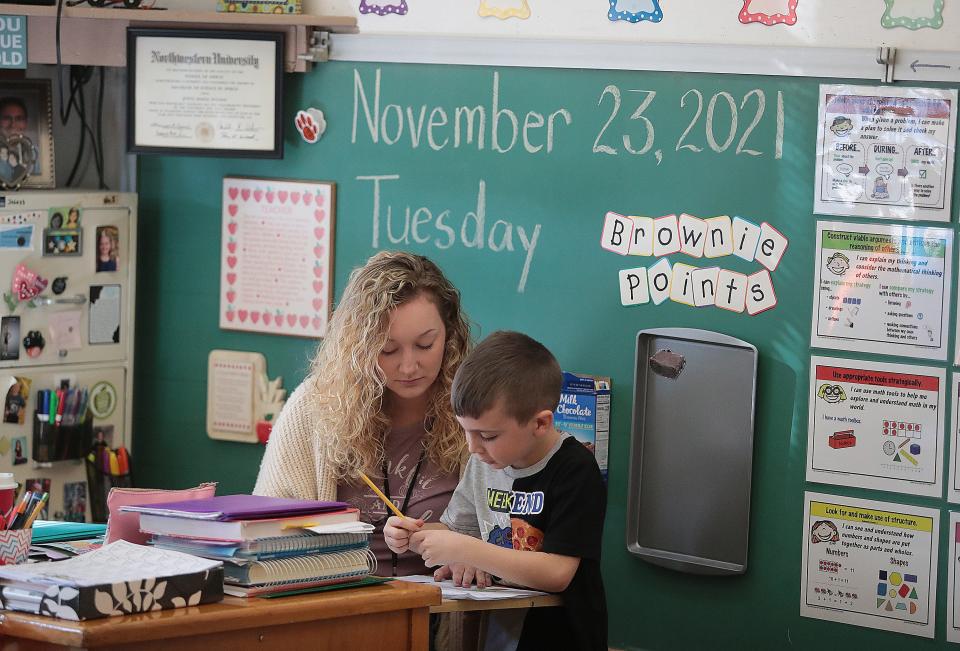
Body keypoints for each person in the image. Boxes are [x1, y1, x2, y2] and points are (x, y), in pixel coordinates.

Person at [254, 251, 472, 579]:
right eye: (388, 350)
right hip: (338, 605)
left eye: (425, 345)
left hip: (441, 611)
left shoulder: (477, 407)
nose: (409, 366)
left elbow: (509, 527)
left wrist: (471, 552)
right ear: (360, 346)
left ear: (450, 335)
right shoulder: (315, 407)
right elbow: (265, 533)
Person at [385, 331, 608, 650]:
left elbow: (557, 572)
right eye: (466, 432)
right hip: (495, 634)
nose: (473, 447)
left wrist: (467, 551)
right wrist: (413, 535)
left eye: (487, 435)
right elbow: (456, 531)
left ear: (540, 424)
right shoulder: (482, 460)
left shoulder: (575, 469)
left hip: (559, 637)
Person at [0, 97, 38, 175]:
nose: (13, 125)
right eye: (7, 118)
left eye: (19, 119)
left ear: (26, 123)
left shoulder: (37, 153)